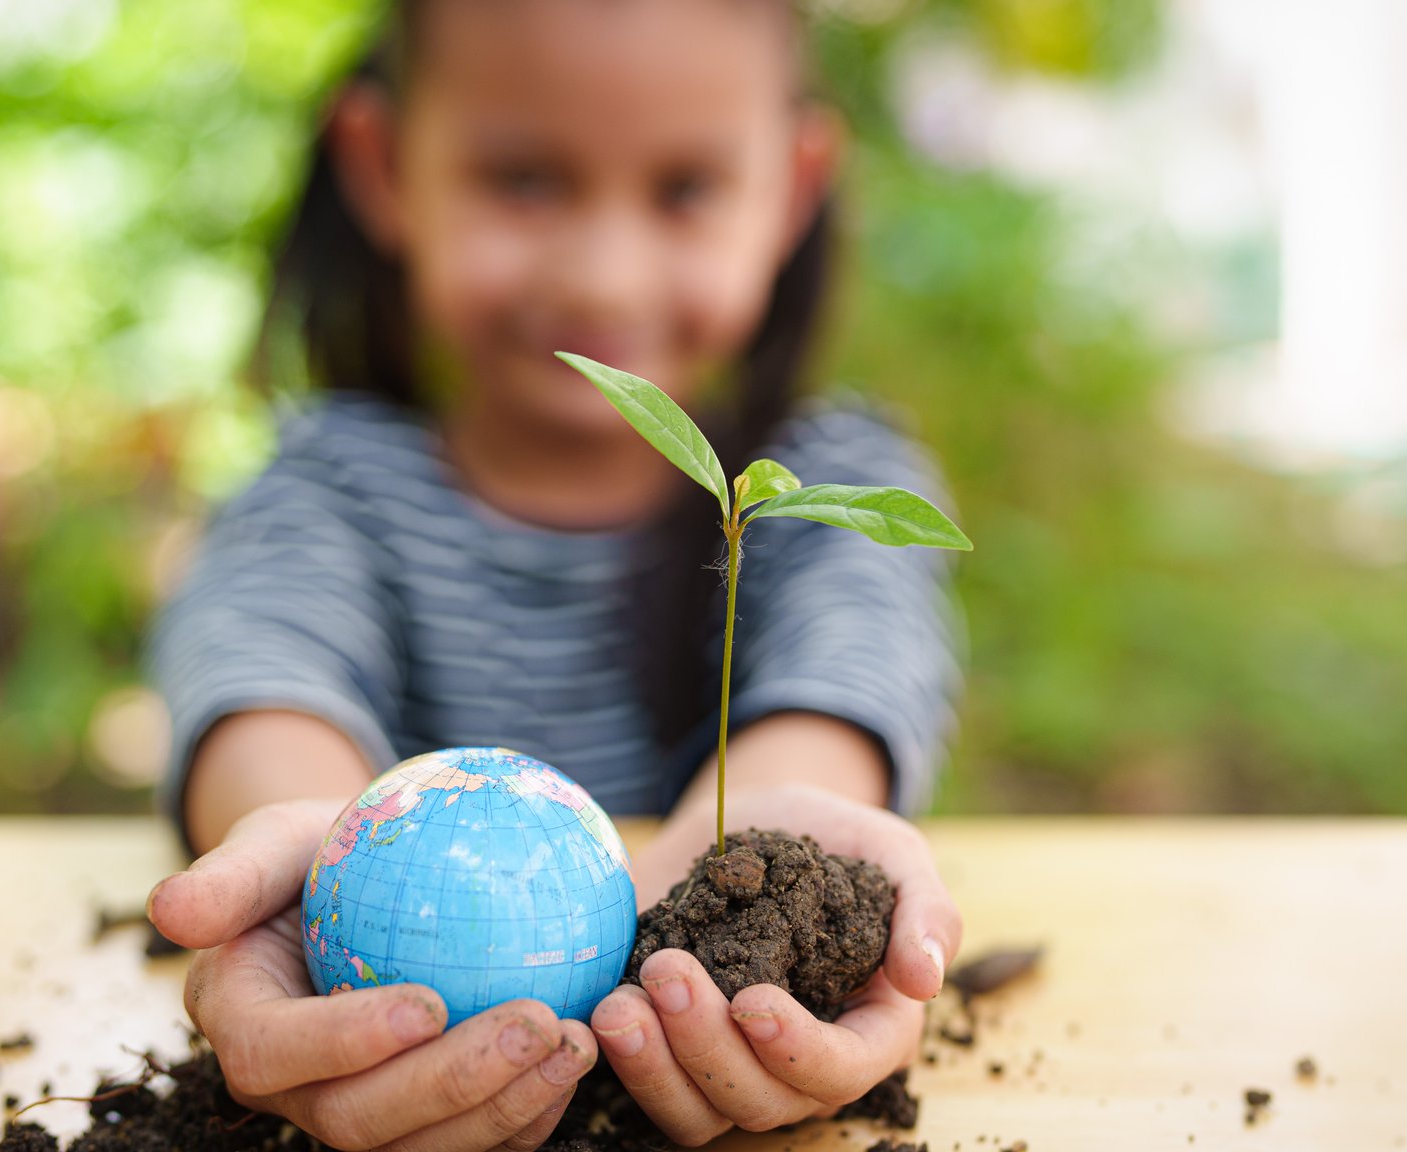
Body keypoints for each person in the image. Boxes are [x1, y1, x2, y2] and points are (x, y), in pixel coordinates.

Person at [143, 1, 965, 1148]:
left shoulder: (814, 486)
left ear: (791, 185)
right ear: (382, 167)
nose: (601, 274)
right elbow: (260, 672)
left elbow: (851, 676)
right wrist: (318, 847)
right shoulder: (326, 490)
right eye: (524, 179)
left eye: (683, 188)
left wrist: (772, 862)